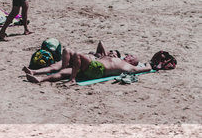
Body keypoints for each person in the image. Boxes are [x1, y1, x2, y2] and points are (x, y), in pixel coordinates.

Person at [25, 49, 174, 84]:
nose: (128, 56)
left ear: (134, 62)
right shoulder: (117, 59)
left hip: (97, 70)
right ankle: (39, 77)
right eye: (128, 55)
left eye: (132, 57)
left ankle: (72, 80)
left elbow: (148, 68)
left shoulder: (130, 68)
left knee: (75, 54)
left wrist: (156, 65)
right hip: (92, 67)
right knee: (67, 56)